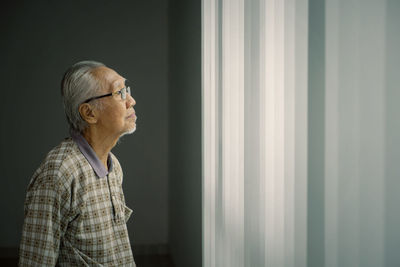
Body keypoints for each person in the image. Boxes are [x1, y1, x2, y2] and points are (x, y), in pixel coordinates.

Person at [18, 61, 137, 266]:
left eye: (126, 90)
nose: (131, 101)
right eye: (119, 93)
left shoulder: (113, 165)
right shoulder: (58, 174)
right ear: (89, 113)